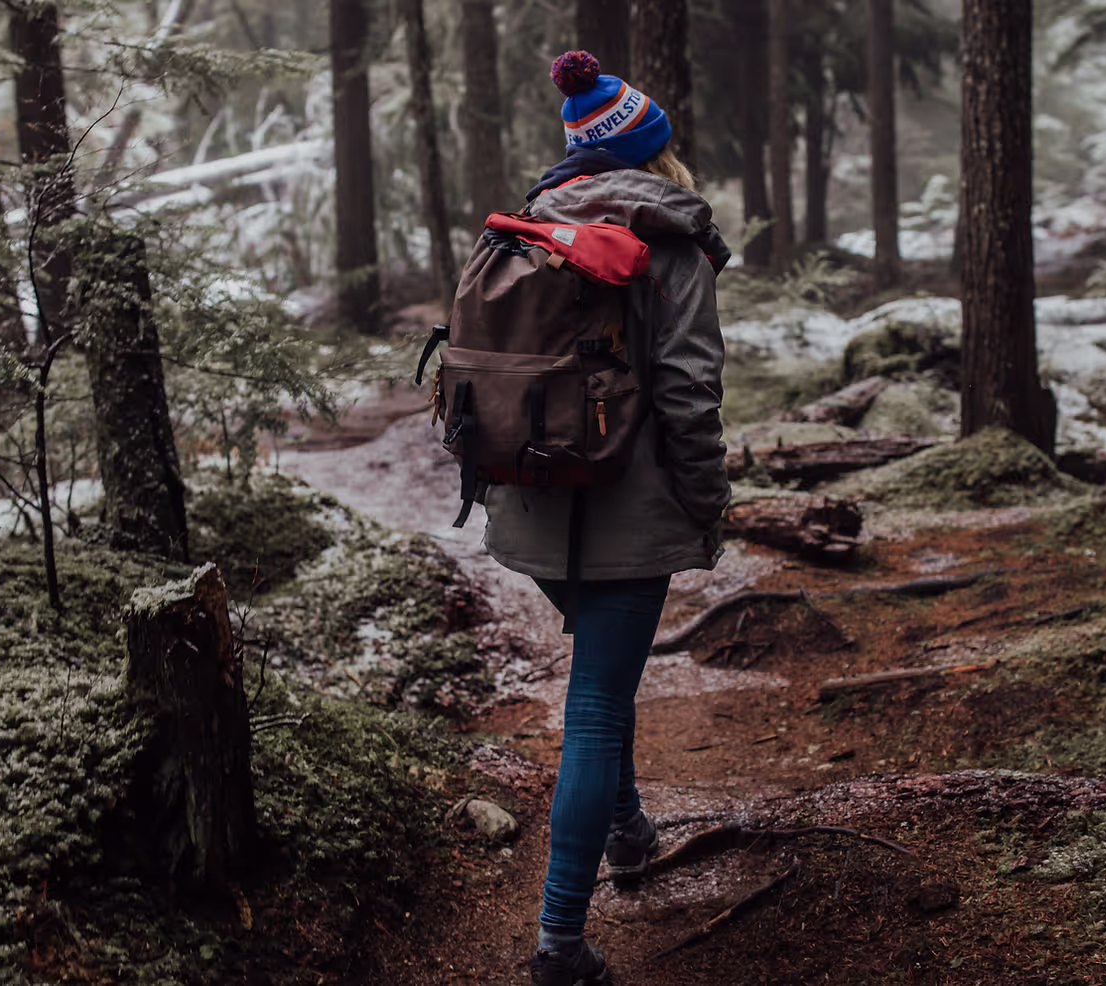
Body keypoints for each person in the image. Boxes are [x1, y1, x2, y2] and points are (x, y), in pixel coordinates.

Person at [479, 50, 732, 986]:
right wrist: (706, 500)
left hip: (533, 502)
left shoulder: (532, 223)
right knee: (593, 708)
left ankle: (626, 828)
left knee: (603, 675)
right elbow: (688, 390)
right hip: (626, 511)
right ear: (656, 152)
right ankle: (558, 947)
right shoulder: (670, 237)